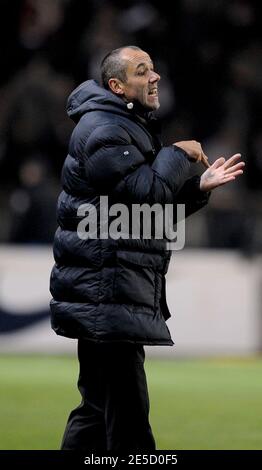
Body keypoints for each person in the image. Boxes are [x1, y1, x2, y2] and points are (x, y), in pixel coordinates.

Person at [49, 46, 244, 452]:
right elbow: (145, 197)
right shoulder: (105, 127)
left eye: (154, 68)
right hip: (108, 289)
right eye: (142, 71)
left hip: (110, 290)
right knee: (129, 420)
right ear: (117, 86)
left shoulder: (120, 124)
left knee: (97, 412)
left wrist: (196, 189)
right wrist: (178, 152)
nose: (155, 77)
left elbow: (140, 212)